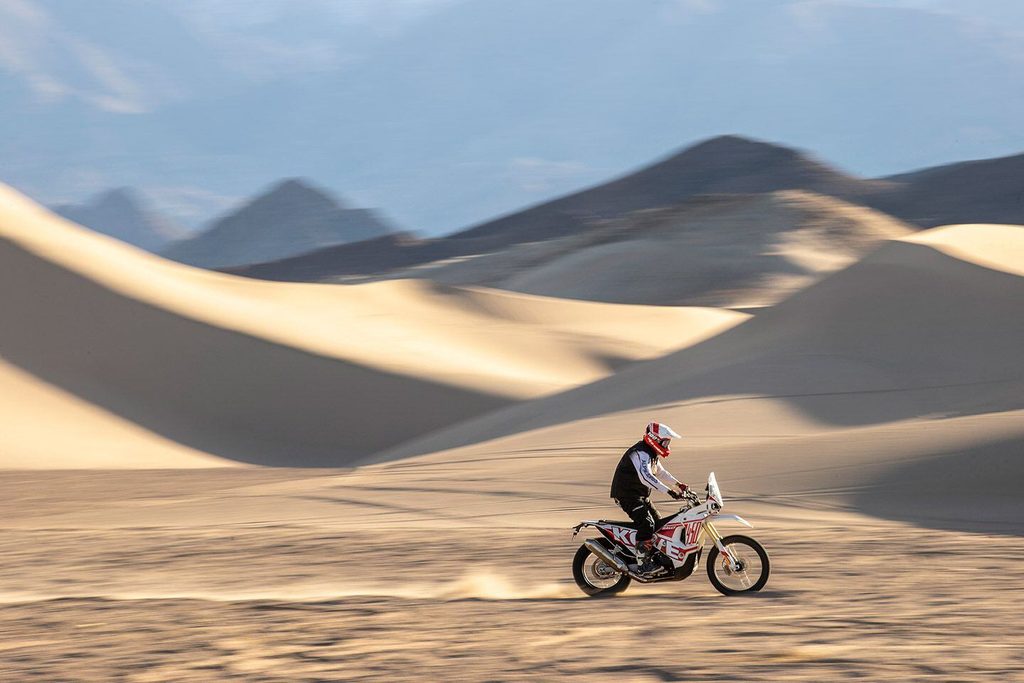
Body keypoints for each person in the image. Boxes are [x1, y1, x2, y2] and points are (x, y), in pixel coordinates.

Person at [609, 421, 688, 576]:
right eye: (665, 442)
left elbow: (661, 472)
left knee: (659, 524)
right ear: (654, 439)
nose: (667, 445)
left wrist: (679, 485)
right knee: (647, 524)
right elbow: (646, 477)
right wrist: (669, 491)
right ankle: (642, 565)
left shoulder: (651, 454)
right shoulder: (640, 453)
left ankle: (655, 558)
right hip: (627, 495)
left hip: (639, 496)